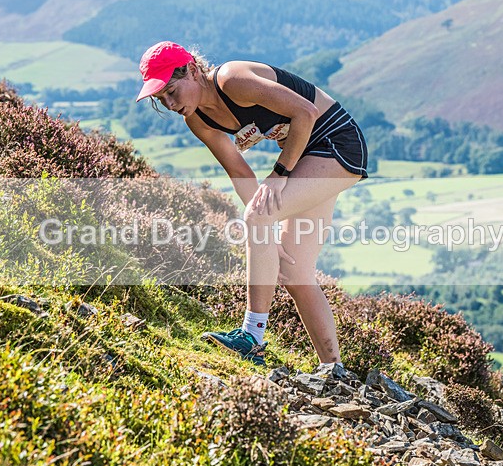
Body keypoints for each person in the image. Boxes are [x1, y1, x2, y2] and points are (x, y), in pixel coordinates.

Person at [135, 41, 368, 371]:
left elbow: (307, 113)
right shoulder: (198, 119)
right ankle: (334, 370)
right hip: (307, 156)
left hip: (337, 143)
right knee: (294, 271)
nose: (170, 104)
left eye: (172, 91)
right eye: (162, 99)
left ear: (190, 70)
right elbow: (239, 171)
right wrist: (265, 231)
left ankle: (252, 337)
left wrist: (279, 175)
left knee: (259, 217)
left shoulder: (233, 79)